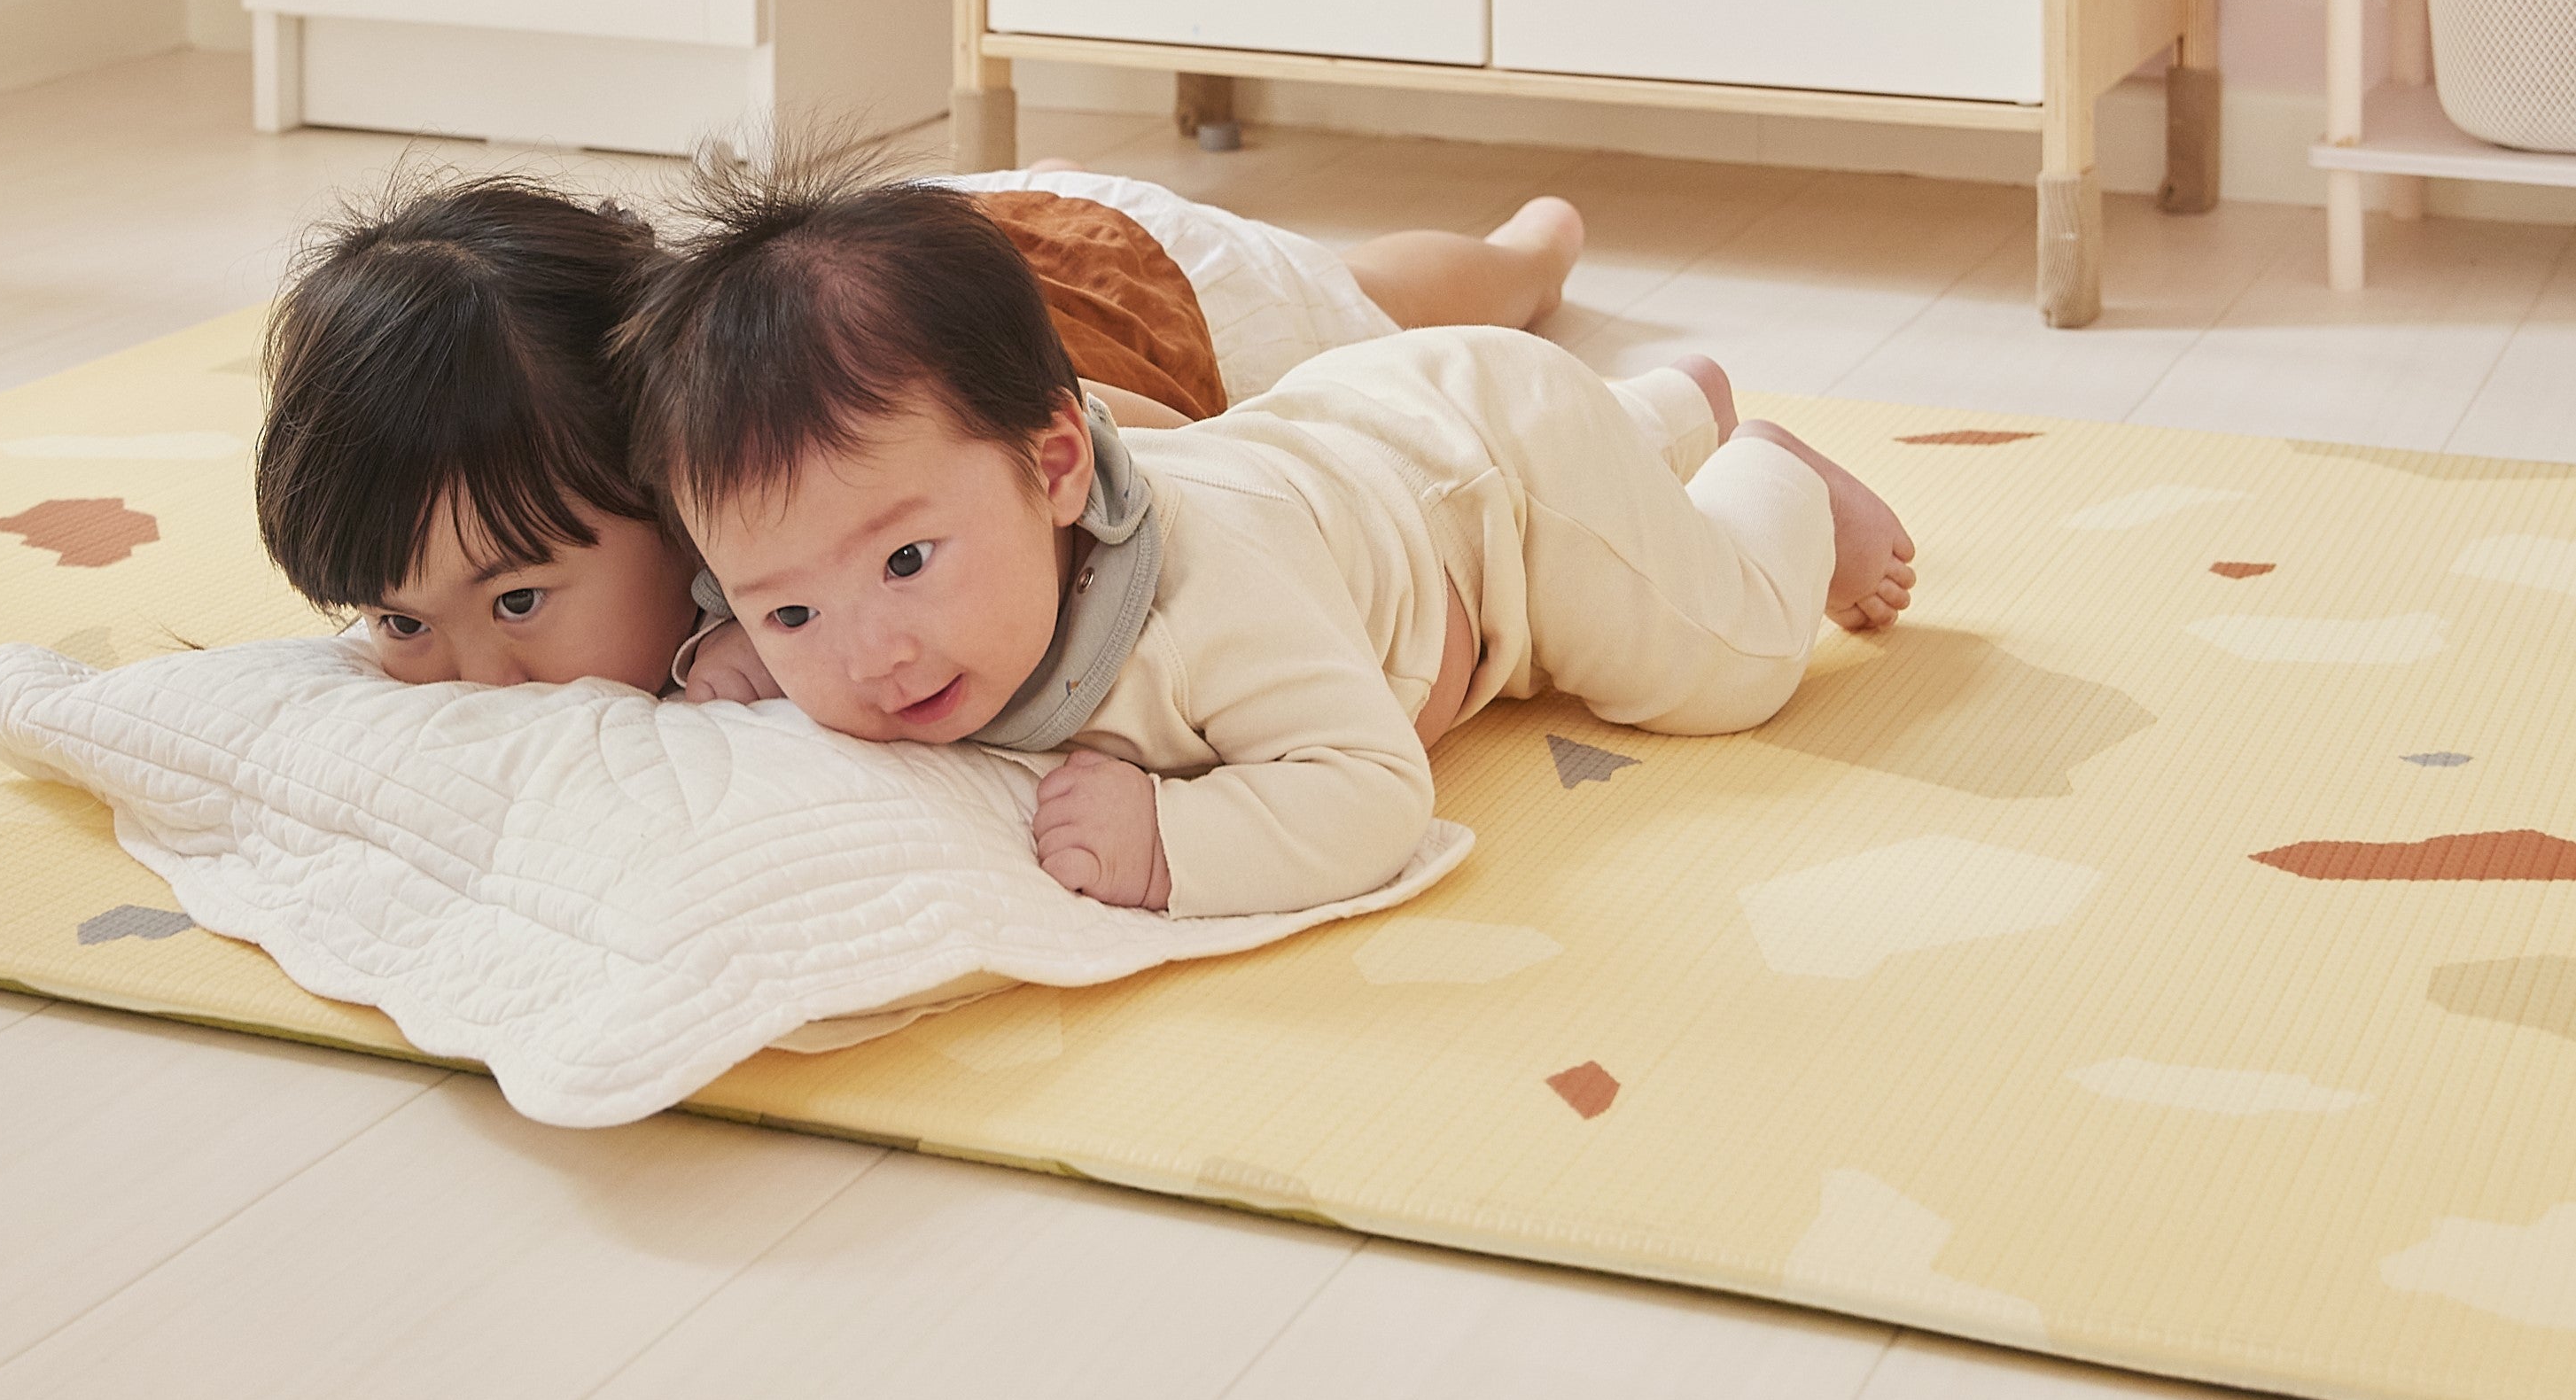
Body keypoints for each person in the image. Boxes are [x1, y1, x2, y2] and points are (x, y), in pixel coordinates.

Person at [617, 154, 1916, 919]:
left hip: (1501, 490)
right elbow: (798, 579)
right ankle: (1668, 406)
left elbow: (1371, 790)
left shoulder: (1208, 609)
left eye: (905, 565)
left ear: (1056, 467)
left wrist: (1171, 846)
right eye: (790, 612)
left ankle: (1772, 479)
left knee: (1712, 665)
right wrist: (740, 645)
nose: (871, 654)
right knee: (1597, 456)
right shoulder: (898, 565)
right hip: (1372, 421)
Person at [250, 162, 1588, 702]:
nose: (475, 681)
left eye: (522, 599)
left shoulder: (926, 475)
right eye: (400, 624)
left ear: (666, 494)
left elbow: (1174, 465)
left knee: (1380, 311)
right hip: (873, 273)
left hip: (1117, 286)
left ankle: (1528, 253)